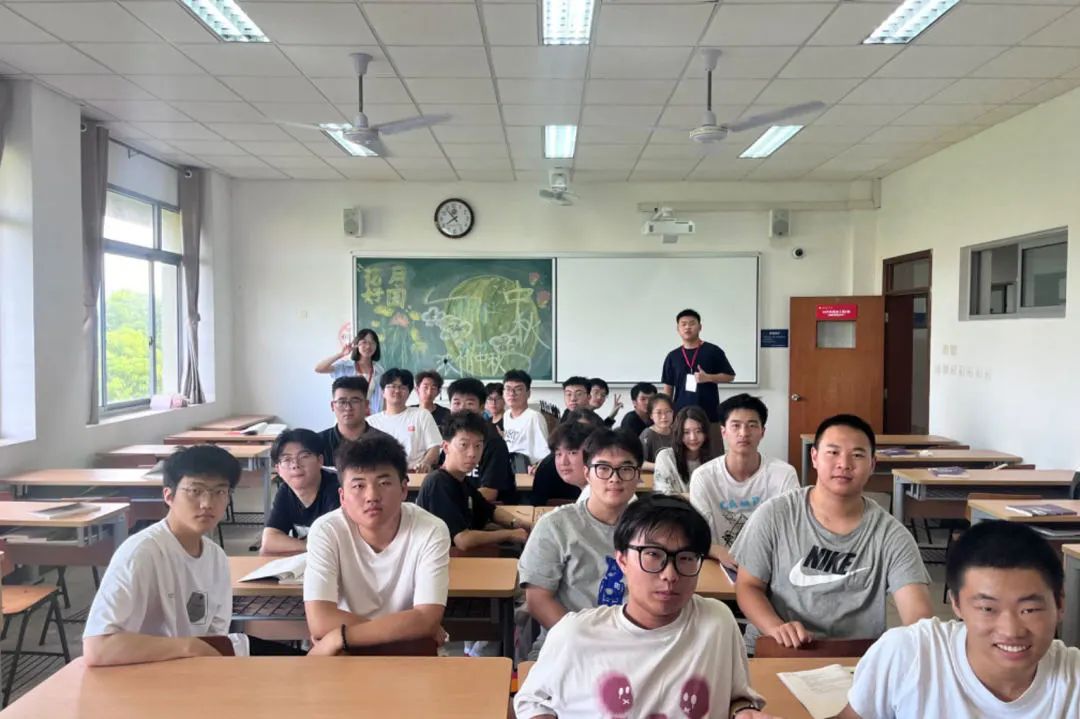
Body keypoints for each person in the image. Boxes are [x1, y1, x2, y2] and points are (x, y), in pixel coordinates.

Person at [515, 495, 771, 719]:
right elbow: (533, 701)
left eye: (686, 558)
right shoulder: (576, 634)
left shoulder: (717, 622)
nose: (670, 575)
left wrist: (743, 711)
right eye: (653, 554)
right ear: (622, 561)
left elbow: (737, 696)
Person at [732, 414, 933, 654]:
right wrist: (776, 627)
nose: (844, 464)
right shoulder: (775, 514)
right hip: (779, 649)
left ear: (872, 464)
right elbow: (748, 586)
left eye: (857, 455)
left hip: (856, 659)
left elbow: (919, 617)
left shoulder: (891, 535)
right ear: (814, 457)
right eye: (833, 452)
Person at [840, 521, 1080, 719]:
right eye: (988, 608)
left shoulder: (1074, 681)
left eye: (1029, 610)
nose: (1011, 631)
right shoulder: (909, 654)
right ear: (956, 604)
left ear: (1060, 604)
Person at [83, 446, 248, 666]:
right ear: (168, 495)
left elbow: (215, 637)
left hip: (190, 671)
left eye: (219, 492)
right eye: (195, 491)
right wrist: (188, 647)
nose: (207, 503)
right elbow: (97, 648)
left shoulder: (216, 557)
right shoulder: (141, 553)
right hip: (139, 675)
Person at [304, 435, 451, 654]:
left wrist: (339, 637)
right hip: (375, 649)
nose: (372, 496)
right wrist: (411, 629)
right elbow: (319, 620)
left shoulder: (431, 530)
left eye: (384, 483)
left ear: (404, 489)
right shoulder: (326, 530)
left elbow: (426, 619)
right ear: (342, 497)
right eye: (358, 485)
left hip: (372, 648)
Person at [519, 427, 643, 659]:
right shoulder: (556, 526)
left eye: (626, 469)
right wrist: (589, 644)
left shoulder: (651, 529)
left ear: (638, 475)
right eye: (603, 468)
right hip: (566, 646)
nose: (614, 478)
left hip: (634, 648)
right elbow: (538, 601)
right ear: (587, 473)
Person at [689, 394, 797, 568]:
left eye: (752, 425)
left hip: (769, 564)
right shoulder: (703, 477)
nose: (744, 433)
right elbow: (695, 534)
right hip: (719, 564)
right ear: (723, 431)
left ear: (762, 432)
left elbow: (791, 531)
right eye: (736, 425)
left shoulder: (783, 474)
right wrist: (719, 552)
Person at [416, 411, 530, 552]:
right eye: (464, 445)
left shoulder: (461, 479)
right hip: (446, 558)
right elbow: (463, 540)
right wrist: (510, 534)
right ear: (446, 447)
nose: (472, 453)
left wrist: (519, 523)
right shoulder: (438, 483)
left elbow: (490, 510)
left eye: (478, 446)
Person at [661, 309, 735, 448]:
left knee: (713, 453)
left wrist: (709, 377)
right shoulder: (672, 356)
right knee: (681, 454)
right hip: (681, 416)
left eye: (692, 323)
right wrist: (667, 415)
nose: (687, 327)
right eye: (683, 324)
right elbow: (668, 389)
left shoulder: (713, 351)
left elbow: (730, 376)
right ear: (678, 329)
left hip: (709, 415)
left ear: (700, 327)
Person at [262, 428, 340, 555]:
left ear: (320, 460)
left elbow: (336, 545)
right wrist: (310, 547)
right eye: (287, 459)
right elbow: (269, 542)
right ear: (278, 469)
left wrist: (296, 547)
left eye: (304, 456)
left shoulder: (337, 490)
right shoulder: (285, 491)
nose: (295, 465)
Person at [446, 377, 518, 504]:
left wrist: (453, 499)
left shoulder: (493, 441)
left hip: (491, 508)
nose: (462, 409)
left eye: (469, 403)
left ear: (481, 407)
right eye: (457, 403)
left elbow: (490, 493)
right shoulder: (450, 437)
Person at [366, 368, 442, 472]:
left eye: (402, 387)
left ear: (409, 392)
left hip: (414, 474)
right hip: (380, 475)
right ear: (383, 392)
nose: (397, 391)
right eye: (392, 386)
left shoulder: (421, 415)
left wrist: (426, 463)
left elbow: (435, 447)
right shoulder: (371, 422)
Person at [529, 411, 605, 507]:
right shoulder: (587, 492)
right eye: (558, 454)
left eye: (572, 453)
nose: (563, 462)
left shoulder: (601, 494)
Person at [318, 376, 393, 467]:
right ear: (332, 406)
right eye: (342, 402)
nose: (348, 408)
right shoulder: (317, 443)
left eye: (355, 401)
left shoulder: (386, 443)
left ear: (366, 405)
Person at [314, 328, 384, 413]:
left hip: (370, 417)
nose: (368, 346)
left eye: (372, 343)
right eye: (364, 342)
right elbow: (319, 369)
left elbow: (382, 398)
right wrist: (341, 354)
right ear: (357, 345)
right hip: (347, 414)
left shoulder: (379, 370)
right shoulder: (346, 366)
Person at [653, 406, 714, 495]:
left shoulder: (712, 462)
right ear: (679, 433)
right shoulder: (666, 457)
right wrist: (695, 498)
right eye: (686, 432)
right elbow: (662, 495)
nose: (693, 438)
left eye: (698, 431)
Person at [502, 369, 551, 470]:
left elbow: (545, 452)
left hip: (525, 468)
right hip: (508, 466)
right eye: (508, 389)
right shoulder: (506, 415)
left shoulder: (534, 417)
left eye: (518, 389)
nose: (512, 393)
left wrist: (537, 468)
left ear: (528, 393)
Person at [639, 393, 674, 471]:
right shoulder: (647, 435)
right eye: (659, 412)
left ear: (672, 413)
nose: (664, 416)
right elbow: (639, 462)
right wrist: (660, 466)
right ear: (651, 415)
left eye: (667, 411)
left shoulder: (677, 432)